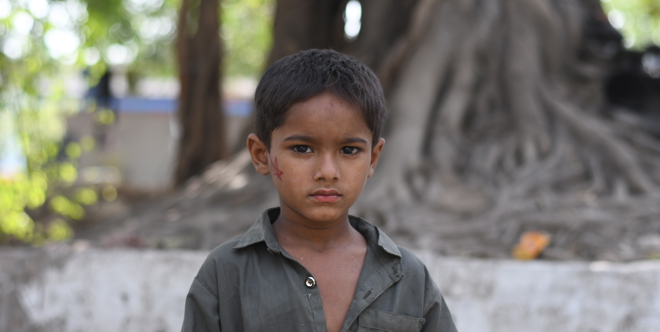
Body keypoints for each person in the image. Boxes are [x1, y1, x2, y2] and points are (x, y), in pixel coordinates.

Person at [181, 49, 457, 332]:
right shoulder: (227, 273)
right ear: (261, 155)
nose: (327, 171)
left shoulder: (408, 277)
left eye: (349, 150)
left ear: (373, 159)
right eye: (302, 149)